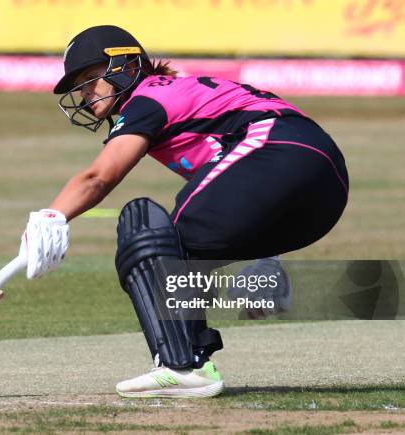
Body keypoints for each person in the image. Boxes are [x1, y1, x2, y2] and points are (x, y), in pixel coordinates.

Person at [18, 25, 348, 398]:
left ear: (126, 67)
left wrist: (53, 215)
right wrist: (266, 257)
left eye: (91, 78)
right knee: (190, 239)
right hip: (324, 183)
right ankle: (264, 281)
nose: (84, 93)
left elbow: (99, 176)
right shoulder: (177, 94)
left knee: (148, 233)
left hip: (278, 146)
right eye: (80, 85)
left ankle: (184, 366)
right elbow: (242, 180)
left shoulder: (146, 100)